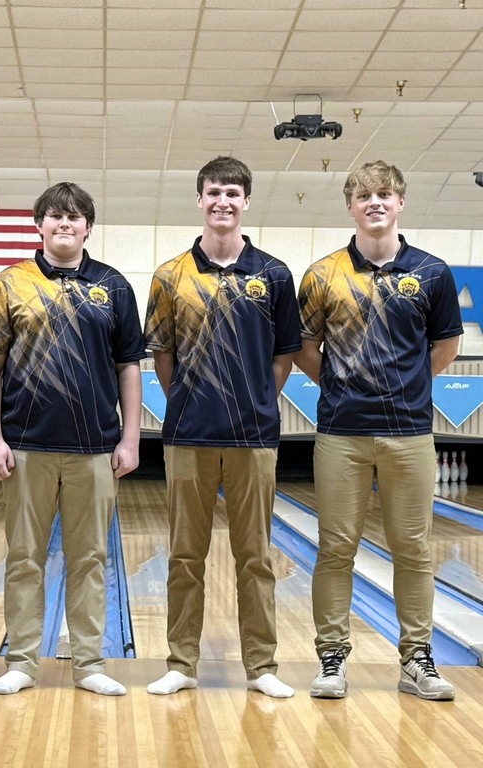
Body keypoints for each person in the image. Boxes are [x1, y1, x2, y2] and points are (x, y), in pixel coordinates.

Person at [296, 161, 462, 701]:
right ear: (350, 206)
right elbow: (304, 348)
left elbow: (446, 346)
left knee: (413, 548)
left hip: (409, 432)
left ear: (400, 202)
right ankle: (332, 657)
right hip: (341, 432)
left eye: (384, 194)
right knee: (335, 548)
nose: (375, 202)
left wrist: (406, 387)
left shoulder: (433, 273)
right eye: (364, 195)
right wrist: (344, 387)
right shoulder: (322, 275)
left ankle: (416, 659)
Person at [0, 182, 143, 697]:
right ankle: (22, 662)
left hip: (94, 447)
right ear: (40, 225)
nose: (64, 224)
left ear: (88, 227)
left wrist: (131, 438)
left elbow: (128, 367)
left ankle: (89, 663)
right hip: (26, 446)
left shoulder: (113, 285)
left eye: (74, 217)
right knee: (24, 557)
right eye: (55, 216)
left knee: (90, 558)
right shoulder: (12, 283)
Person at [143, 156, 300, 699]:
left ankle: (263, 668)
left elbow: (285, 355)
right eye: (213, 192)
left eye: (232, 193)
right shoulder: (170, 276)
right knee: (185, 557)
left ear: (246, 201)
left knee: (254, 556)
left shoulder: (275, 274)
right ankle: (180, 664)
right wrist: (187, 401)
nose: (222, 202)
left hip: (255, 437)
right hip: (188, 436)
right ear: (199, 198)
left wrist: (258, 399)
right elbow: (163, 354)